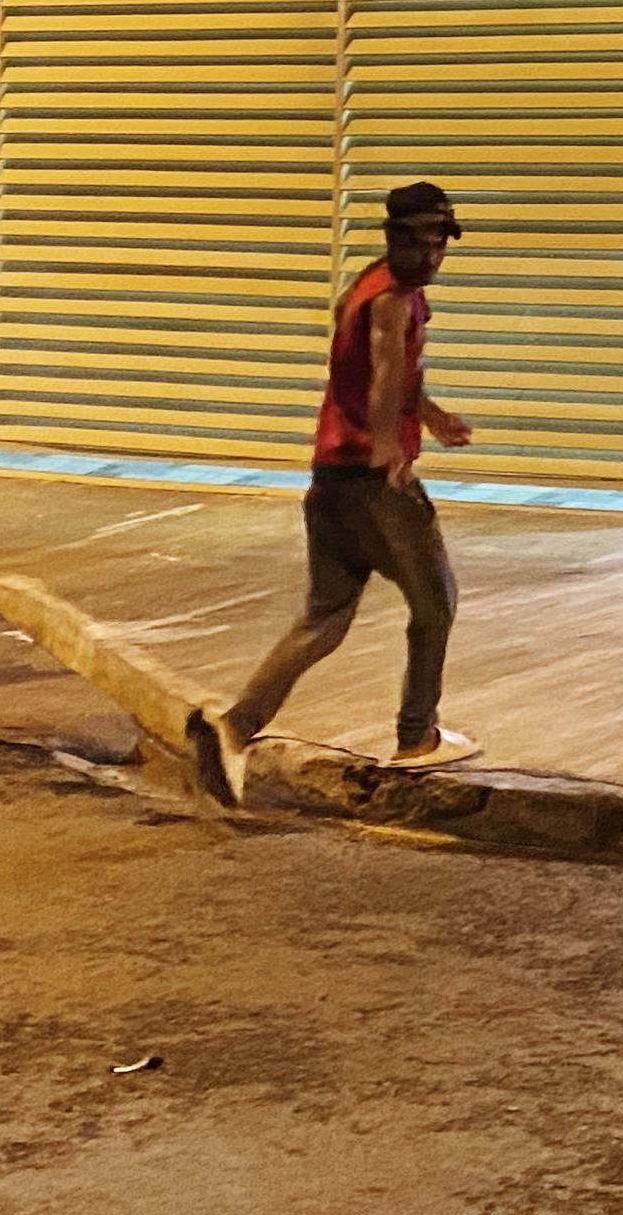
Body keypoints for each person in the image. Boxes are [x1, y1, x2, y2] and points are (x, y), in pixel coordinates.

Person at [192, 181, 478, 795]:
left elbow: (393, 380)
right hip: (373, 483)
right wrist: (390, 454)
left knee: (325, 616)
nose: (431, 256)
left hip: (330, 482)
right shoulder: (393, 302)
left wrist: (429, 417)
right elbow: (381, 385)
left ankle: (236, 726)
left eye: (439, 244)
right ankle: (417, 735)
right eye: (421, 242)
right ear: (395, 240)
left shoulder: (369, 287)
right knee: (436, 603)